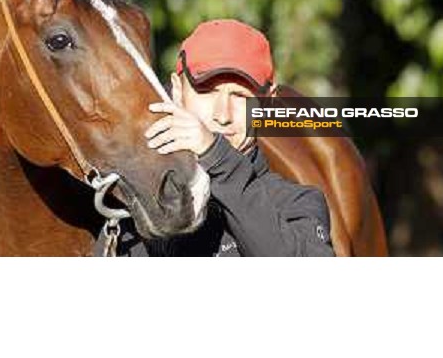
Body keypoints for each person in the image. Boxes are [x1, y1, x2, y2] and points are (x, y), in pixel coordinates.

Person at [95, 19, 335, 257]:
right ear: (177, 91)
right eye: (207, 91)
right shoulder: (132, 205)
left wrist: (217, 157)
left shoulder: (297, 204)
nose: (222, 115)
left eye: (240, 96)